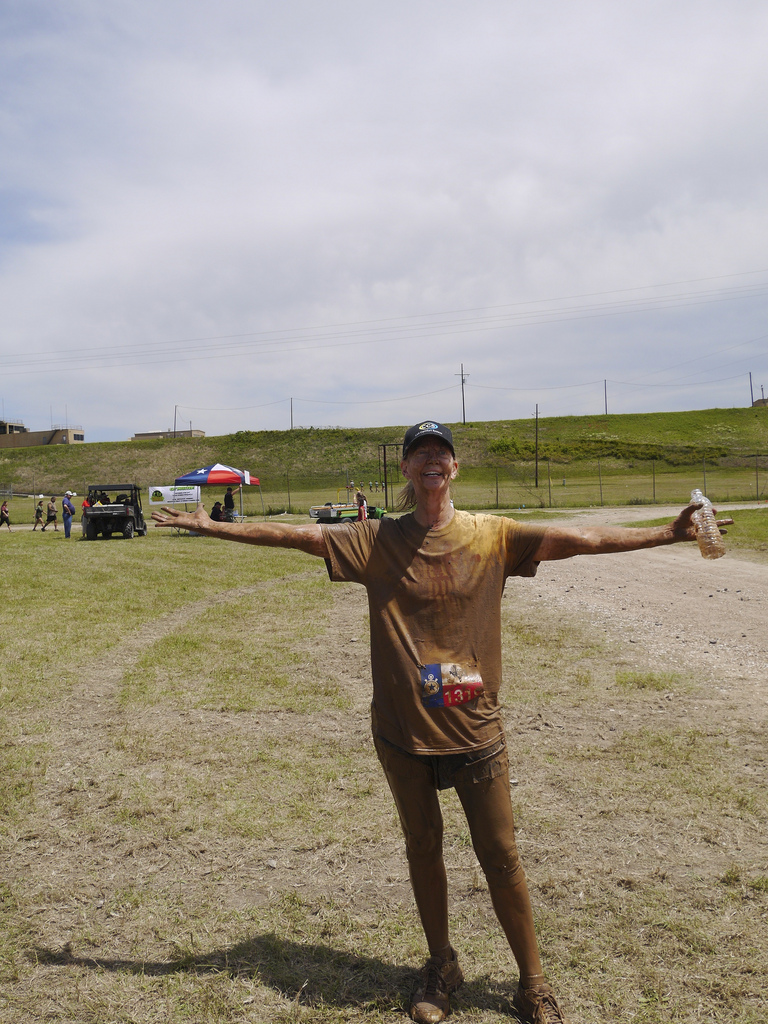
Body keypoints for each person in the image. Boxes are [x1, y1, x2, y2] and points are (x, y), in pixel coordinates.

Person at [152, 419, 731, 1024]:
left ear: (454, 469)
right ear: (405, 469)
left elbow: (581, 537)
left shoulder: (493, 537)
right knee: (423, 846)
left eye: (442, 452)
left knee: (501, 855)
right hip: (402, 733)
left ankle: (533, 984)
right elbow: (298, 536)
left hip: (474, 729)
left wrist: (667, 532)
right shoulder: (374, 540)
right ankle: (442, 965)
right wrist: (216, 526)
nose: (432, 459)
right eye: (419, 452)